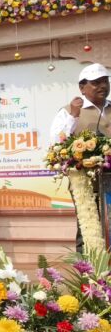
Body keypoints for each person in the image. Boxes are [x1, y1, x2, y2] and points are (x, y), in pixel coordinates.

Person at [49, 63, 111, 251]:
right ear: (82, 88)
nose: (103, 86)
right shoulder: (69, 111)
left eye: (105, 81)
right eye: (96, 82)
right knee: (90, 230)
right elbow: (56, 144)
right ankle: (89, 268)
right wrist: (74, 116)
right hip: (86, 181)